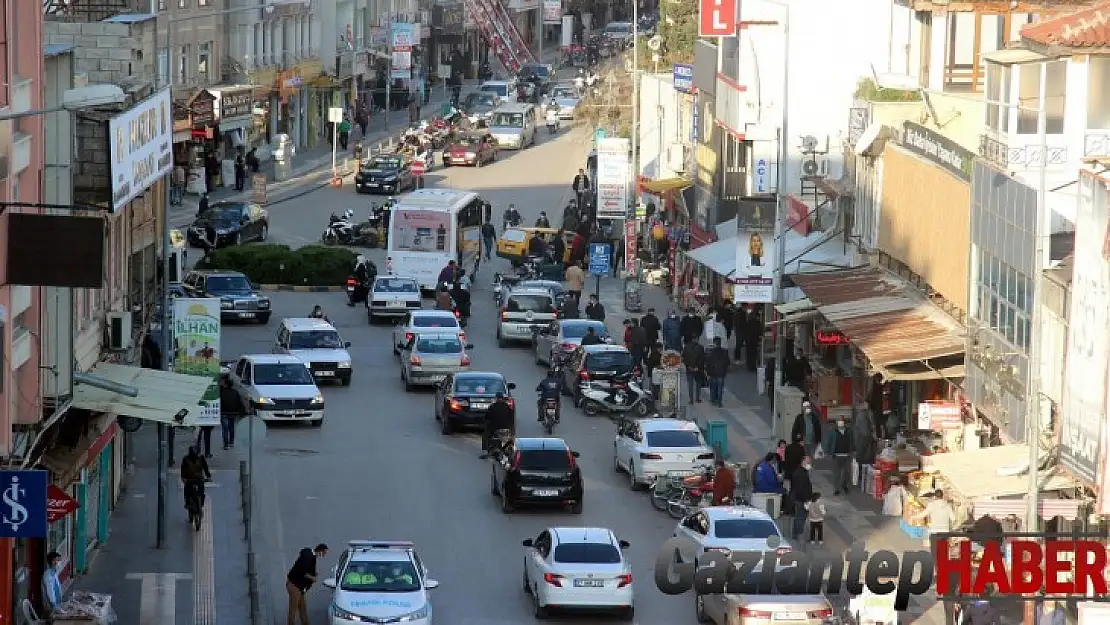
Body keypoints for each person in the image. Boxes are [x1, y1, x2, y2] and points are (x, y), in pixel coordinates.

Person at [286, 544, 328, 625]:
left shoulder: (311, 555)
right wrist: (312, 578)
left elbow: (306, 569)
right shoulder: (308, 557)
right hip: (294, 586)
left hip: (300, 587)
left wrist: (313, 573)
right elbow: (302, 571)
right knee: (293, 610)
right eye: (324, 553)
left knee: (302, 608)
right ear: (320, 551)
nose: (324, 555)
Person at [481, 392, 516, 457]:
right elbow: (512, 419)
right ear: (503, 398)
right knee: (511, 438)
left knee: (485, 435)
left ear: (496, 398)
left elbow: (487, 417)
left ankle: (485, 452)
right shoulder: (508, 407)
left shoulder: (492, 406)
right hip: (507, 428)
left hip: (495, 428)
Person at [180, 445, 211, 511]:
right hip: (190, 479)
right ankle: (188, 503)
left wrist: (208, 476)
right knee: (188, 490)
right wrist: (183, 478)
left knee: (201, 491)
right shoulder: (186, 459)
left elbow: (205, 467)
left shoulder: (201, 458)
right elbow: (183, 470)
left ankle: (200, 503)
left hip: (199, 478)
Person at [788, 457, 813, 541]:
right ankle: (798, 534)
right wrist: (807, 499)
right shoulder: (800, 473)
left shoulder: (801, 472)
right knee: (801, 517)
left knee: (800, 516)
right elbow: (801, 488)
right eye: (808, 462)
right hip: (801, 499)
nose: (810, 464)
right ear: (803, 462)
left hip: (800, 498)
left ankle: (796, 534)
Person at [828, 418, 855, 495]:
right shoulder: (833, 432)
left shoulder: (849, 431)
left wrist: (853, 451)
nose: (840, 423)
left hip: (846, 455)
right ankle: (836, 489)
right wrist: (829, 453)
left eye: (842, 422)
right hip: (836, 455)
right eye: (839, 422)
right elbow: (829, 442)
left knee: (847, 472)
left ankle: (844, 485)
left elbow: (852, 441)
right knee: (837, 473)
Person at [219, 375, 243, 450]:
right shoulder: (235, 392)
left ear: (225, 384)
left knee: (225, 428)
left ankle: (226, 444)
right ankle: (231, 442)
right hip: (233, 413)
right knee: (231, 427)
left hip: (224, 413)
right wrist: (240, 412)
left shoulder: (222, 392)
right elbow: (239, 403)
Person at [705, 337, 730, 406]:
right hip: (721, 373)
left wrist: (708, 372)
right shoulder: (724, 352)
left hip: (712, 373)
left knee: (713, 388)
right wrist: (725, 370)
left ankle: (713, 400)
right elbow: (728, 362)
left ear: (714, 343)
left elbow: (708, 363)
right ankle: (719, 401)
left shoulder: (711, 352)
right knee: (720, 388)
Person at [681, 338, 705, 403]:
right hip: (698, 370)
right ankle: (697, 398)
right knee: (698, 384)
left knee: (690, 385)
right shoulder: (701, 348)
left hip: (689, 369)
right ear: (697, 339)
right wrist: (698, 367)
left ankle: (691, 400)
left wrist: (688, 366)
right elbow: (702, 359)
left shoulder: (686, 347)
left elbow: (683, 358)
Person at [42, 550, 63, 618]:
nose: (58, 562)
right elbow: (50, 591)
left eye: (58, 560)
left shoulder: (54, 573)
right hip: (52, 607)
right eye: (56, 560)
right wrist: (54, 606)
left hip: (57, 604)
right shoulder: (48, 575)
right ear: (52, 562)